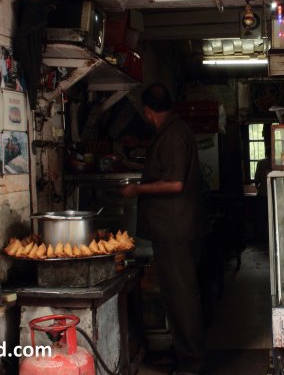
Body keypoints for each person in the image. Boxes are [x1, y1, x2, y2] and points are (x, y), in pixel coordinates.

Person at [120, 84, 209, 375]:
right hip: (174, 228)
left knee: (182, 297)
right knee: (177, 295)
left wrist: (137, 189)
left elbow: (175, 184)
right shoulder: (173, 131)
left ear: (148, 111)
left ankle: (192, 363)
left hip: (175, 230)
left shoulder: (172, 135)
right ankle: (182, 354)